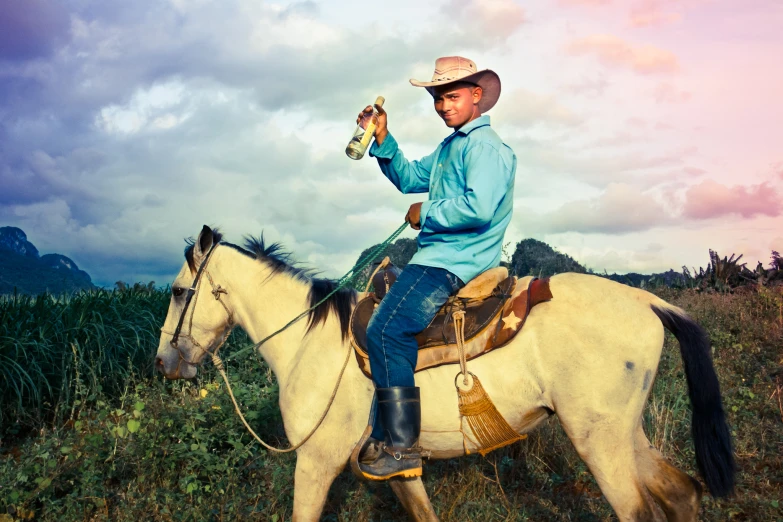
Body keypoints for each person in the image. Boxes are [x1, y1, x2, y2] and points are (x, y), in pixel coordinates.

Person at [356, 56, 517, 481]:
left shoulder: (484, 147)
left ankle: (400, 445)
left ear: (476, 95)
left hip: (450, 262)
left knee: (385, 330)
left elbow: (479, 208)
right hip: (437, 257)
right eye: (438, 99)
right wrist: (384, 138)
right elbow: (409, 176)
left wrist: (426, 212)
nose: (444, 106)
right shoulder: (451, 147)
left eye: (453, 96)